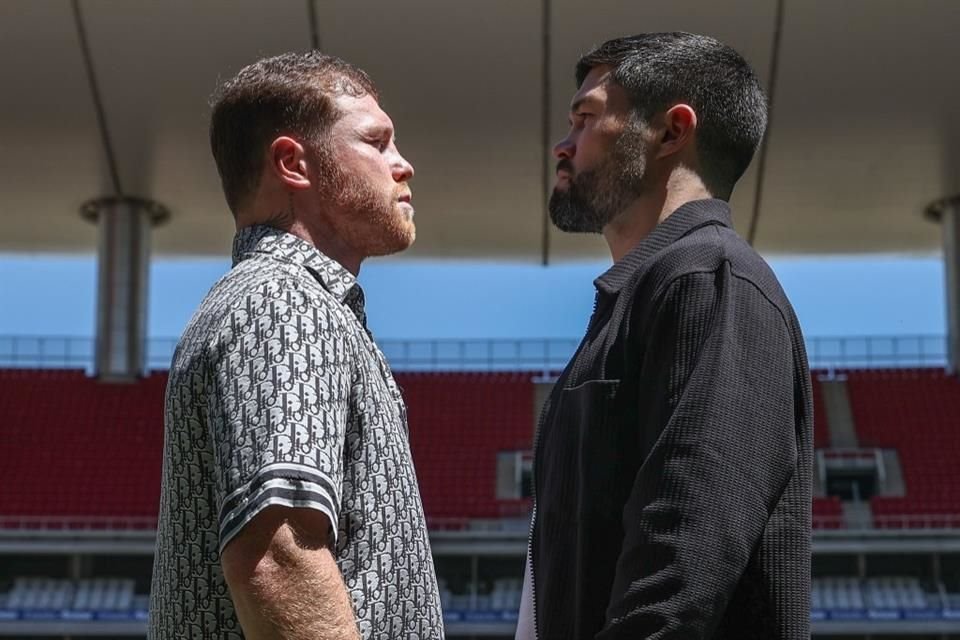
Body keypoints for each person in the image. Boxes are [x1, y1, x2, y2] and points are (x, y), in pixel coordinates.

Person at [518, 33, 812, 639]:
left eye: (587, 117)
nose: (562, 143)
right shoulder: (650, 292)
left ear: (671, 132)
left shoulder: (711, 278)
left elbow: (680, 568)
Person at [149, 52, 444, 640]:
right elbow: (280, 557)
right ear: (293, 163)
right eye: (377, 142)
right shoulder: (283, 302)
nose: (403, 164)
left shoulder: (283, 300)